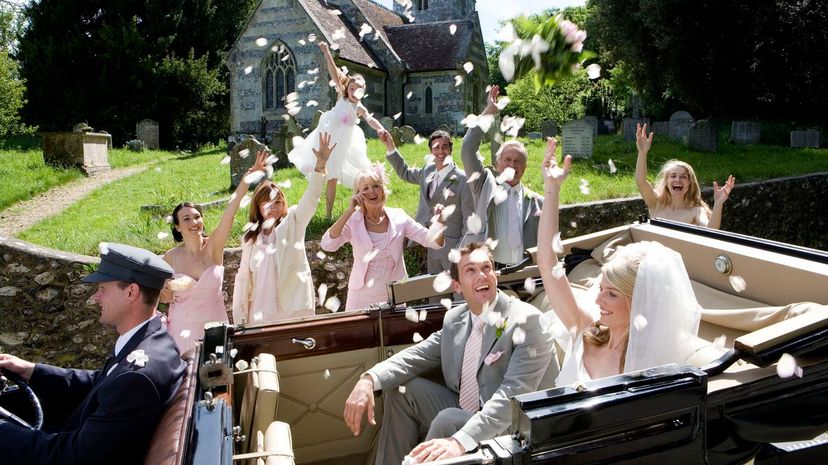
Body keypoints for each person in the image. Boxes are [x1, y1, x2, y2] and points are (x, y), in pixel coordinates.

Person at [343, 242, 557, 464]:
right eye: (471, 270)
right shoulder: (456, 319)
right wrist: (368, 379)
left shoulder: (527, 321)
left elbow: (511, 398)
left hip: (514, 428)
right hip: (470, 409)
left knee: (448, 419)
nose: (482, 276)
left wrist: (458, 441)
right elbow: (416, 356)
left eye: (486, 268)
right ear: (457, 285)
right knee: (400, 388)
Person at [0, 243, 186, 465]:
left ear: (131, 292)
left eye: (103, 289)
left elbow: (74, 457)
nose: (96, 297)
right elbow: (102, 383)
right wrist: (31, 371)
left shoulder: (135, 376)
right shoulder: (154, 341)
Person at [538, 138, 702, 386]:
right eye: (601, 288)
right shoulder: (586, 329)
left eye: (611, 294)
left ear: (640, 300)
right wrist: (551, 190)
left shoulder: (651, 366)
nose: (597, 299)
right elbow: (548, 265)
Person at [161, 151, 269, 354]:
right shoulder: (170, 257)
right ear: (177, 227)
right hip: (181, 328)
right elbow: (161, 294)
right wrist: (165, 292)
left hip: (214, 326)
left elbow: (230, 211)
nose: (194, 223)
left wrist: (248, 178)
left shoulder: (214, 247)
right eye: (186, 219)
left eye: (197, 217)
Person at [233, 133, 334, 324]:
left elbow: (311, 199)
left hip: (294, 309)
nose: (274, 207)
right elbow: (244, 277)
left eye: (278, 202)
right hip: (261, 311)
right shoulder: (250, 236)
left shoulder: (294, 221)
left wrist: (320, 166)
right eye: (267, 203)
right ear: (258, 206)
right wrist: (240, 317)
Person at [320, 163, 446, 311]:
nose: (372, 191)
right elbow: (328, 244)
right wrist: (349, 211)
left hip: (395, 296)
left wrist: (439, 222)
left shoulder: (399, 216)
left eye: (375, 186)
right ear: (358, 195)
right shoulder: (354, 220)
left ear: (382, 190)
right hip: (360, 297)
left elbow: (434, 242)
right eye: (365, 188)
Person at [288, 41, 387, 218]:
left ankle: (359, 207)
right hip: (330, 136)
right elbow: (334, 73)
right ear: (347, 88)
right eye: (352, 88)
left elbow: (370, 119)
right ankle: (328, 214)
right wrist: (326, 53)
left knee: (359, 172)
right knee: (330, 176)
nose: (354, 91)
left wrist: (380, 129)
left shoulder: (359, 107)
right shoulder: (342, 95)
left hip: (347, 142)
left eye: (358, 89)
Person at [461, 85, 543, 267]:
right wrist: (489, 112)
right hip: (491, 269)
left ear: (525, 167)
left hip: (526, 270)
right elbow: (467, 148)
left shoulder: (538, 202)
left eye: (518, 161)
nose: (512, 165)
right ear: (497, 163)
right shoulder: (483, 185)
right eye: (507, 159)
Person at [383, 129, 474, 275]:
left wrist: (461, 250)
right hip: (431, 245)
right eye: (436, 147)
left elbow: (469, 218)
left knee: (459, 295)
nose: (441, 151)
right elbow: (405, 172)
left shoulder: (463, 179)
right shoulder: (428, 171)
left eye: (445, 147)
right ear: (431, 151)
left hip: (453, 248)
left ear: (451, 149)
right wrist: (390, 147)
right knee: (435, 295)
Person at [635, 123, 735, 229]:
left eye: (683, 177)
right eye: (673, 176)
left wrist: (718, 204)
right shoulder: (656, 202)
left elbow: (711, 231)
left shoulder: (696, 211)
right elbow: (641, 181)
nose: (678, 180)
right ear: (666, 182)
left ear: (689, 184)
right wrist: (642, 153)